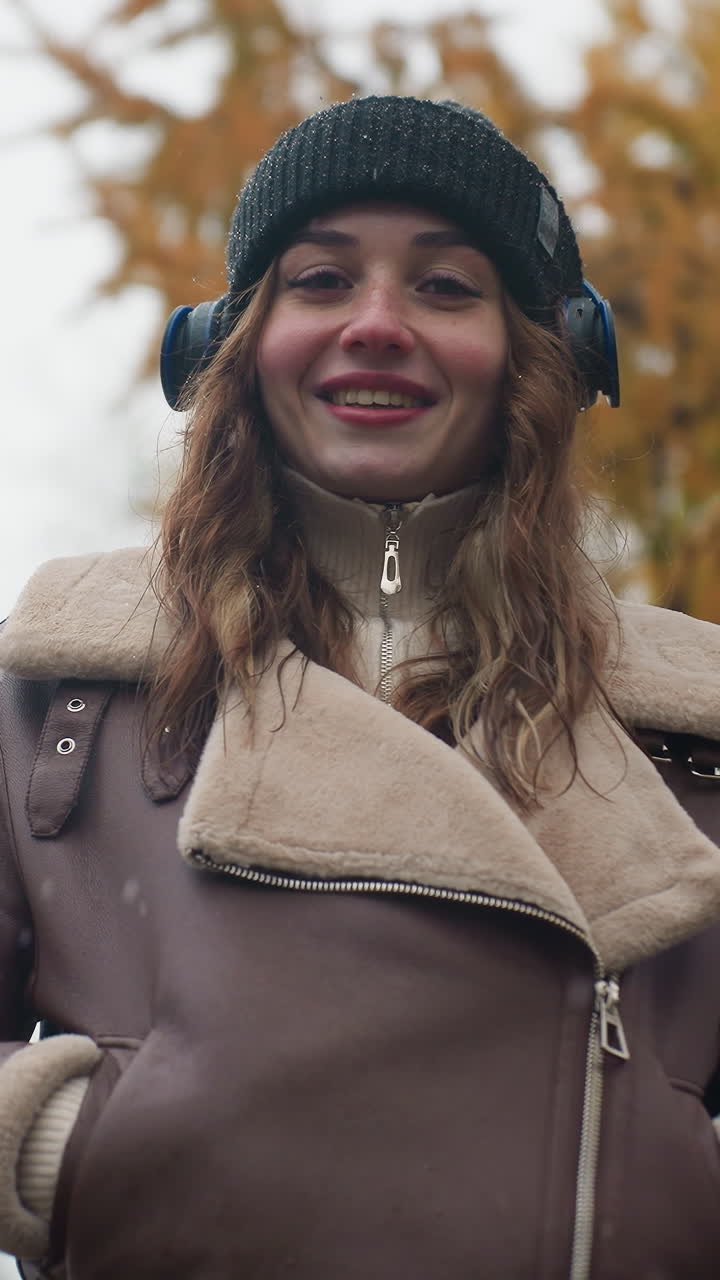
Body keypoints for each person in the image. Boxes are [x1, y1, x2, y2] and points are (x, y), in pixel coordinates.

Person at [1, 95, 720, 1280]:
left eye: (445, 287)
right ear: (233, 342)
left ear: (545, 358)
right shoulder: (60, 684)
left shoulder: (688, 723)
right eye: (322, 281)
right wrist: (67, 1150)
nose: (377, 325)